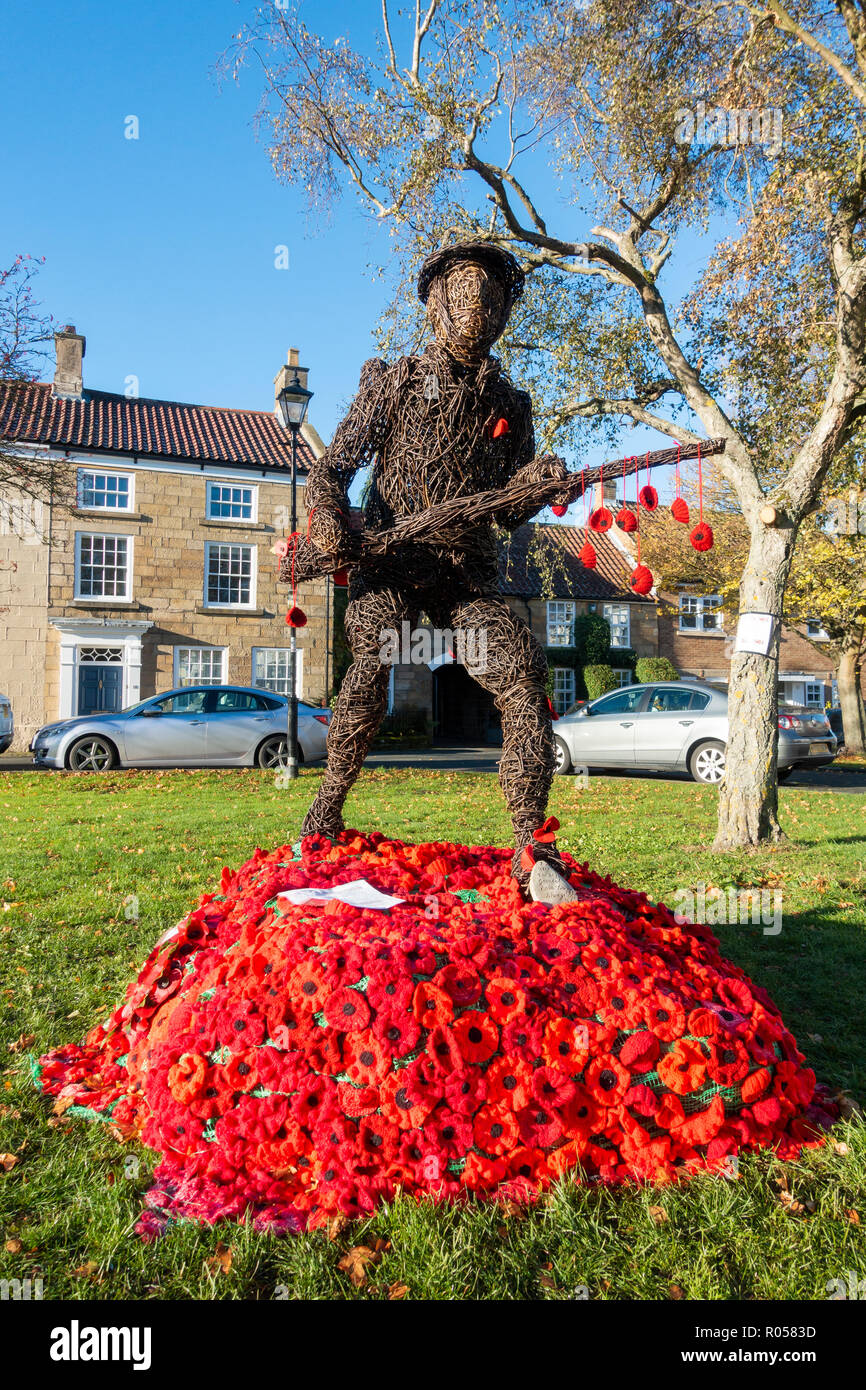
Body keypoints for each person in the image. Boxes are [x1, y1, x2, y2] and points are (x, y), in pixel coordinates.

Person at [301, 240, 573, 895]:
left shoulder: (512, 405)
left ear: (505, 311)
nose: (476, 305)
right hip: (392, 562)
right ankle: (328, 806)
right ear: (435, 304)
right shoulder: (393, 382)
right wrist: (331, 518)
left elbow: (510, 514)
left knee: (519, 672)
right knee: (372, 652)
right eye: (462, 292)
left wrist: (537, 486)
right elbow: (332, 468)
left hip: (466, 576)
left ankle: (530, 848)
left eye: (490, 296)